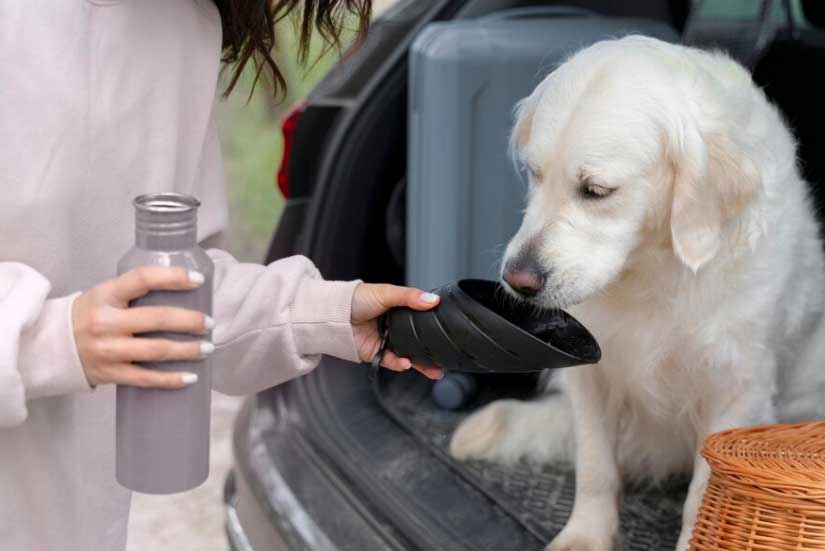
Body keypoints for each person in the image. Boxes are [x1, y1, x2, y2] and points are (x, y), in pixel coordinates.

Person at [0, 1, 441, 549]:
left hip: (73, 521)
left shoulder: (182, 29)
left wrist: (327, 314)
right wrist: (50, 340)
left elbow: (179, 287)